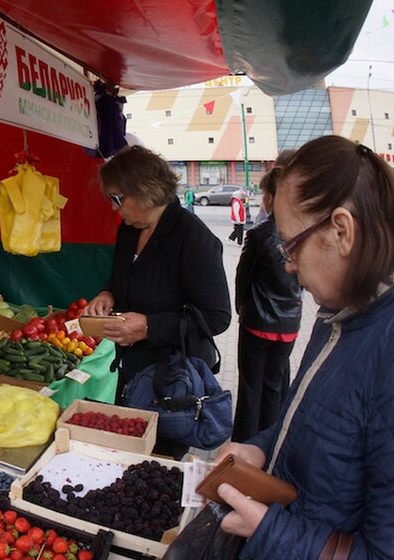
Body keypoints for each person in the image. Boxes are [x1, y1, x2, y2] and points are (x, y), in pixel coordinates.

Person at [216, 136, 394, 558]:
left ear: (341, 231)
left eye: (291, 245)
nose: (289, 264)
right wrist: (260, 448)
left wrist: (268, 530)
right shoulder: (338, 314)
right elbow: (309, 420)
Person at [82, 145, 231, 456]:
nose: (114, 208)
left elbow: (217, 317)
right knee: (128, 449)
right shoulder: (128, 231)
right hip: (132, 370)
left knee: (157, 462)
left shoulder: (194, 239)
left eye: (117, 198)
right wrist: (107, 294)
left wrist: (149, 326)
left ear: (145, 191)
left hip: (172, 383)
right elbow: (122, 278)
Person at [232, 166, 302, 442]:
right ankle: (268, 443)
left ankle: (244, 443)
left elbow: (243, 277)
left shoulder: (260, 235)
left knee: (250, 388)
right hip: (289, 325)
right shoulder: (303, 233)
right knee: (274, 386)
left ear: (271, 197)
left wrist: (241, 307)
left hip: (257, 323)